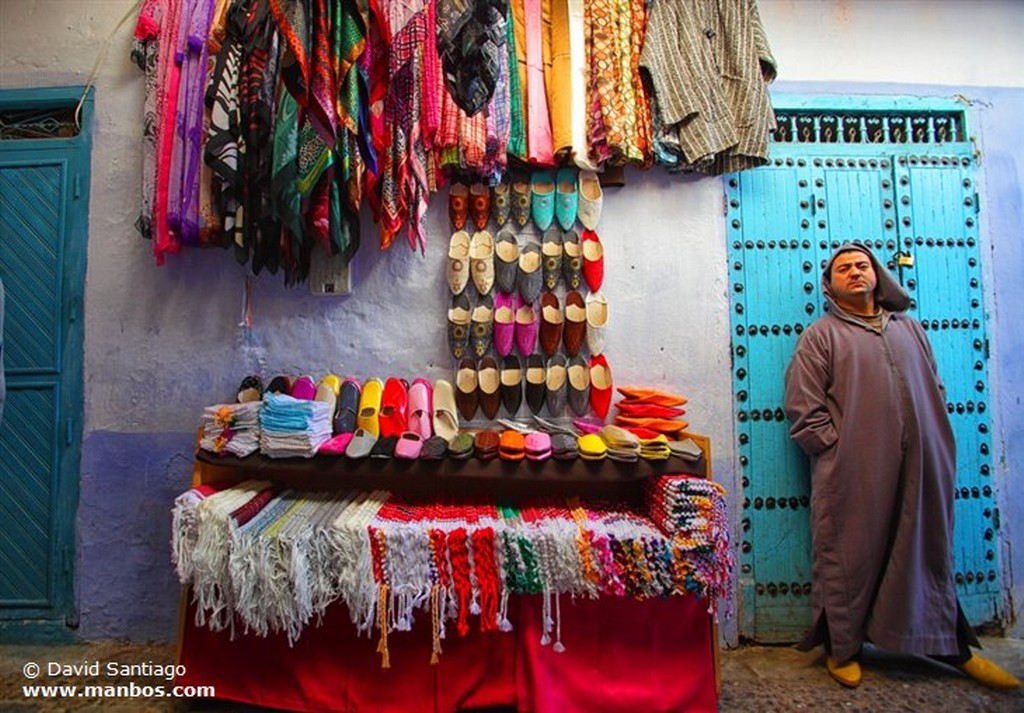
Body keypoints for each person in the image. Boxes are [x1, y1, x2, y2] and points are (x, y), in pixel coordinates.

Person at [783, 243, 1019, 690]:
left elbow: (934, 383)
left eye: (862, 265)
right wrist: (836, 450)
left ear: (878, 275)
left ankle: (949, 646)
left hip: (923, 461)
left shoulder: (910, 330)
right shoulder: (821, 336)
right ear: (830, 286)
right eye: (843, 269)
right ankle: (842, 647)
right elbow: (803, 405)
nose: (854, 272)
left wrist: (930, 433)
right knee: (851, 549)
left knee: (924, 544)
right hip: (854, 465)